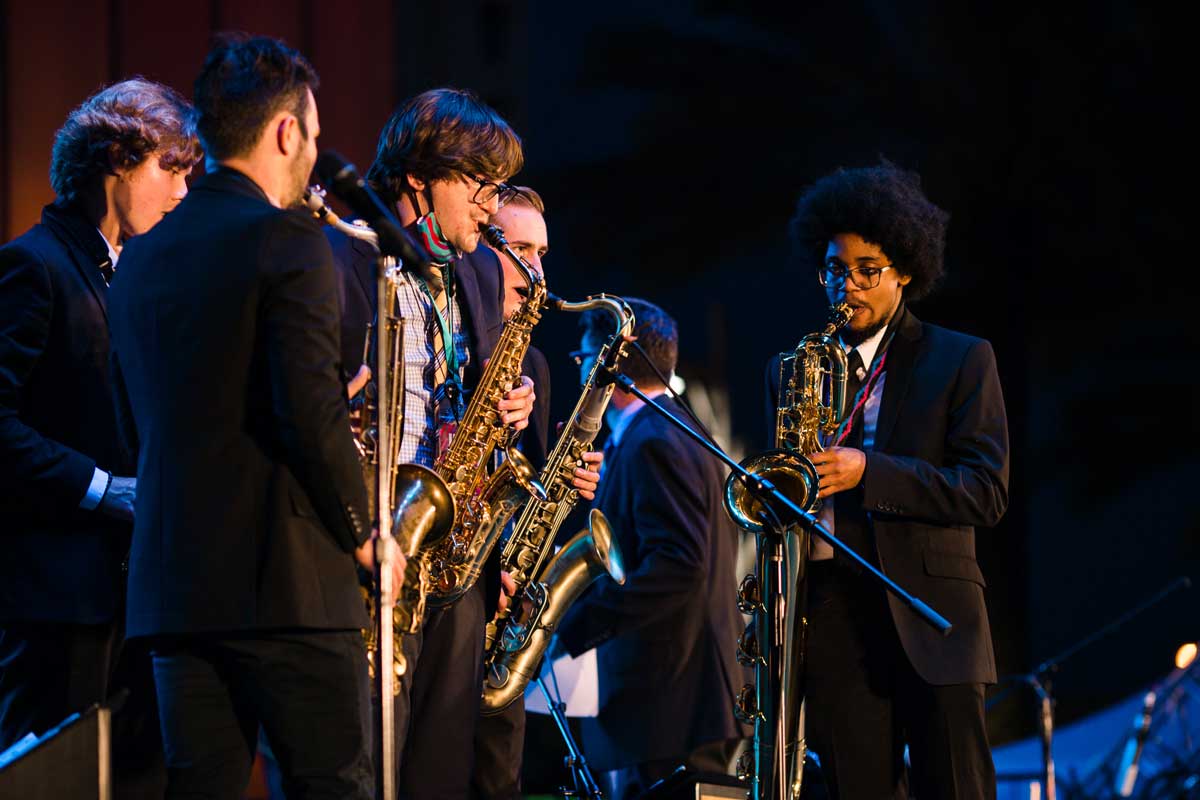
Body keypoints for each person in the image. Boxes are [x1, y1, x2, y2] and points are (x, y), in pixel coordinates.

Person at [108, 35, 393, 798]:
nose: (314, 152)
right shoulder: (288, 236)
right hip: (289, 586)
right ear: (286, 131)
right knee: (331, 784)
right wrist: (365, 533)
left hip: (174, 593)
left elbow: (133, 422)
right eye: (315, 134)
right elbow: (307, 412)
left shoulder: (137, 260)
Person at [330, 88, 546, 797]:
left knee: (441, 775)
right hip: (373, 543)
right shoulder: (345, 254)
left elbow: (477, 378)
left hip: (455, 559)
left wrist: (513, 401)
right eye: (478, 184)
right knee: (368, 768)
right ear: (420, 177)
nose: (492, 204)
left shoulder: (475, 268)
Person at [772, 161, 1009, 799]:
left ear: (904, 269)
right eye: (833, 269)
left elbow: (985, 490)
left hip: (935, 618)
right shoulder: (791, 370)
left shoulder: (962, 358)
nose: (845, 287)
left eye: (866, 270)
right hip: (830, 617)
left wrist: (868, 472)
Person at [0, 77, 200, 796]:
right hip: (56, 599)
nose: (183, 190)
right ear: (117, 158)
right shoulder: (36, 265)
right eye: (169, 169)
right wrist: (99, 488)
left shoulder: (125, 271)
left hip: (129, 590)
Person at [554, 298, 747, 800]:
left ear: (612, 358)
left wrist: (573, 623)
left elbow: (679, 565)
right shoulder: (668, 429)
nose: (582, 373)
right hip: (679, 700)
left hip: (668, 703)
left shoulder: (653, 440)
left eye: (584, 359)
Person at [469, 186, 605, 800]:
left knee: (500, 778)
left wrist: (569, 482)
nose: (538, 271)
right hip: (456, 585)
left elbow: (534, 490)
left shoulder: (539, 364)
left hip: (508, 606)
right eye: (520, 248)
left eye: (542, 252)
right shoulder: (451, 341)